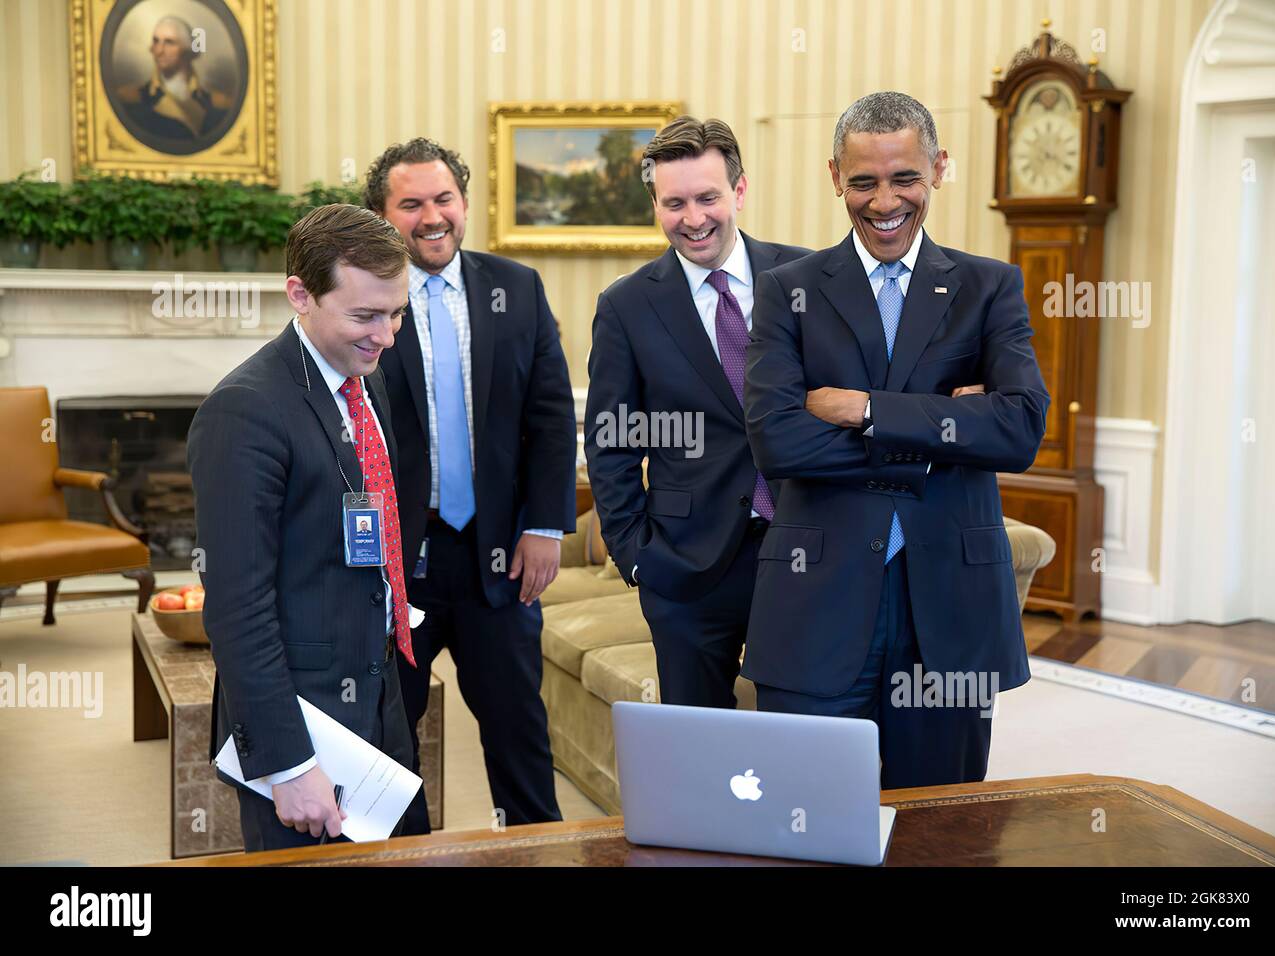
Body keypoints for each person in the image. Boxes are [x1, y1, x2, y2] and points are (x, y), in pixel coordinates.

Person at [742, 92, 1049, 789]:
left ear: (938, 169)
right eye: (864, 181)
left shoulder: (988, 287)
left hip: (952, 607)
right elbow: (780, 443)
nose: (885, 201)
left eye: (904, 177)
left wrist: (865, 409)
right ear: (834, 176)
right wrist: (944, 430)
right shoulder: (786, 291)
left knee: (942, 832)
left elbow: (1020, 428)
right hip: (815, 603)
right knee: (803, 820)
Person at [187, 204, 416, 851]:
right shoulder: (244, 412)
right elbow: (236, 608)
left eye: (396, 312)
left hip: (379, 698)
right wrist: (288, 764)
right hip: (304, 732)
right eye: (366, 315)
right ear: (300, 294)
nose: (387, 335)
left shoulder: (367, 384)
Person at [367, 139, 576, 829]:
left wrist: (545, 526)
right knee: (389, 737)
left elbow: (549, 416)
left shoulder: (515, 287)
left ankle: (535, 849)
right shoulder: (363, 296)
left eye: (443, 198)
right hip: (400, 564)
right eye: (411, 204)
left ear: (464, 202)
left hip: (502, 559)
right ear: (382, 214)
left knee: (519, 731)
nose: (432, 216)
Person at [584, 117, 809, 708]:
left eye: (707, 197)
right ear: (655, 205)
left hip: (805, 547)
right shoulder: (627, 306)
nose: (693, 218)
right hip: (686, 566)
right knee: (700, 746)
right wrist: (635, 557)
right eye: (674, 202)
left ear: (739, 190)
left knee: (803, 725)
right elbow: (610, 441)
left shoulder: (807, 280)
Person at [116, 15, 230, 146]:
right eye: (156, 41)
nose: (159, 51)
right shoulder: (131, 99)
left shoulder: (218, 104)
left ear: (187, 50)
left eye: (169, 42)